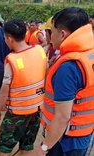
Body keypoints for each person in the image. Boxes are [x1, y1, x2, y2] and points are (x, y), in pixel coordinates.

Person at [32, 7, 94, 156]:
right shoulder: (89, 53)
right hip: (86, 133)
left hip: (66, 141)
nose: (50, 38)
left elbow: (62, 117)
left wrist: (44, 148)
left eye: (51, 32)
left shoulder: (68, 67)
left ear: (62, 34)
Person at [0, 19, 47, 156]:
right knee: (27, 147)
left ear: (10, 39)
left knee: (4, 150)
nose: (5, 41)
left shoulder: (12, 61)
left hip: (16, 113)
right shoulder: (40, 51)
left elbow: (3, 94)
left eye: (5, 38)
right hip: (36, 111)